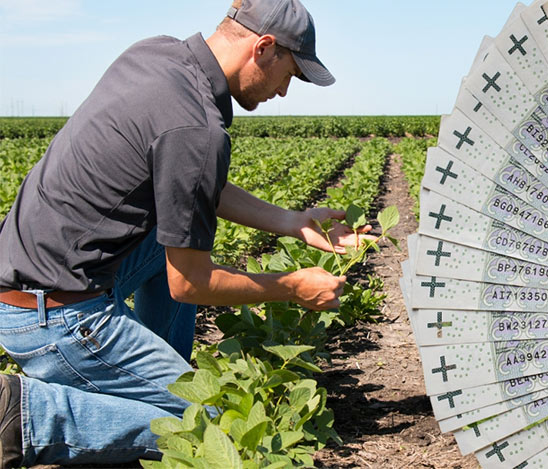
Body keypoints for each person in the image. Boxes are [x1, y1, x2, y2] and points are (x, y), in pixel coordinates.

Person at [0, 0, 369, 466]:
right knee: (211, 431)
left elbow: (187, 184)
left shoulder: (158, 55)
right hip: (57, 318)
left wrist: (292, 221)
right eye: (290, 74)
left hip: (31, 281)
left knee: (169, 236)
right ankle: (31, 414)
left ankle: (158, 378)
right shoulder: (197, 127)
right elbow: (190, 283)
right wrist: (292, 287)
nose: (284, 92)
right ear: (265, 48)